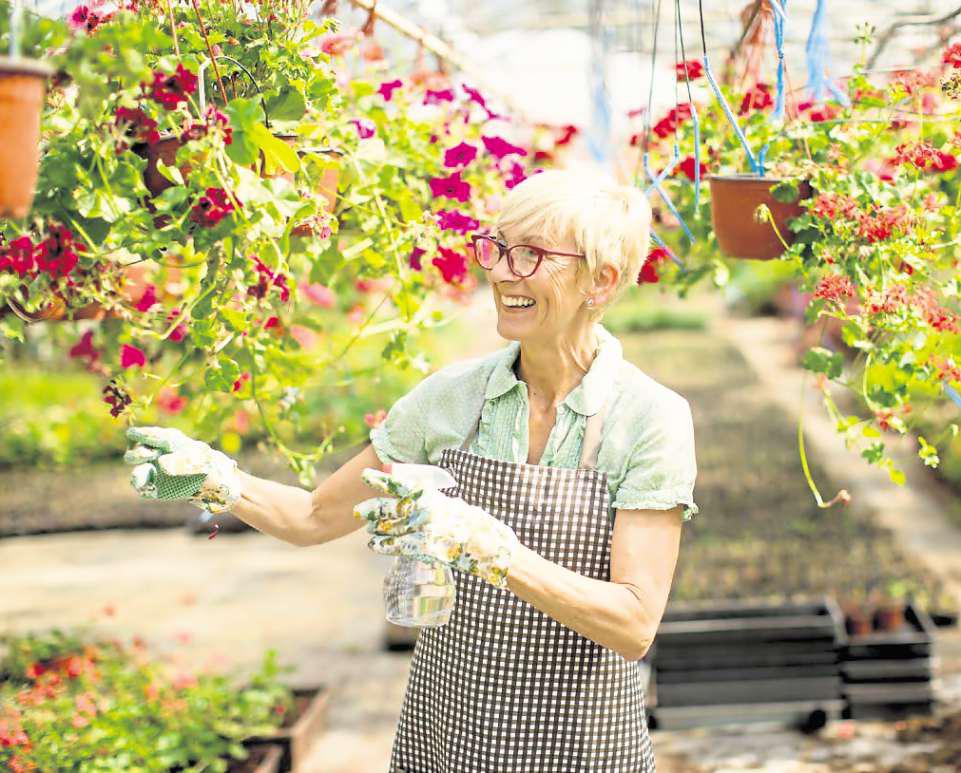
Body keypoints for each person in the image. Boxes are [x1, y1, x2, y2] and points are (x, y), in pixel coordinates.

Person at [125, 169, 698, 772]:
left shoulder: (650, 418)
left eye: (530, 255)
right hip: (447, 736)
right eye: (497, 248)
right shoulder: (448, 399)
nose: (502, 272)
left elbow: (635, 622)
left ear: (601, 281)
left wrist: (495, 551)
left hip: (582, 747)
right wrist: (216, 481)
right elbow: (315, 516)